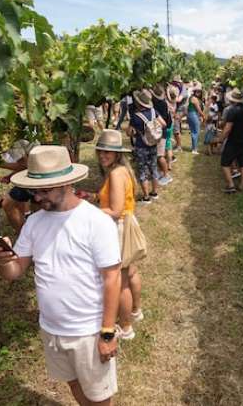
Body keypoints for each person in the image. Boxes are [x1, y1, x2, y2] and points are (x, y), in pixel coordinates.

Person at [0, 145, 121, 406]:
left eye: (45, 190)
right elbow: (14, 272)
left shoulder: (96, 222)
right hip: (51, 329)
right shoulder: (34, 222)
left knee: (98, 395)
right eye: (35, 191)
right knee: (73, 383)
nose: (38, 197)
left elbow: (113, 278)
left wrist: (107, 333)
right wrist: (3, 261)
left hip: (88, 331)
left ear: (67, 183)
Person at [93, 130, 144, 340]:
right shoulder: (123, 170)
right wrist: (94, 197)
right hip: (127, 222)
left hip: (118, 227)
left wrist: (88, 211)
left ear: (117, 154)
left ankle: (125, 327)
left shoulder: (115, 174)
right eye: (100, 151)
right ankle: (136, 311)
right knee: (130, 272)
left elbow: (115, 210)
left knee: (120, 282)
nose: (102, 155)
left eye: (108, 152)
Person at [128, 89, 165, 203]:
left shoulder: (135, 116)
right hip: (153, 144)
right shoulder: (154, 112)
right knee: (153, 168)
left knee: (143, 171)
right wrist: (154, 129)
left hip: (141, 146)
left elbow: (129, 132)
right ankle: (154, 192)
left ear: (138, 103)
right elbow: (164, 124)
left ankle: (146, 197)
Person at [217, 88, 243, 193]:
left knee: (225, 163)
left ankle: (231, 185)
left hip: (233, 141)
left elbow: (228, 128)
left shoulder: (232, 111)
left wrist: (221, 139)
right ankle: (241, 186)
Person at [150, 84, 173, 185]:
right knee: (158, 155)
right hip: (161, 131)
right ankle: (161, 172)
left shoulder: (156, 103)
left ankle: (166, 175)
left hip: (159, 131)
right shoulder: (163, 103)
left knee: (159, 155)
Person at [187, 84, 204, 155]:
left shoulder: (192, 97)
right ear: (194, 91)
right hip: (193, 114)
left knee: (194, 131)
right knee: (196, 131)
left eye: (199, 91)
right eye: (197, 91)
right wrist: (204, 116)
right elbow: (199, 109)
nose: (198, 93)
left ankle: (194, 148)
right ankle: (194, 149)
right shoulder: (194, 98)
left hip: (191, 114)